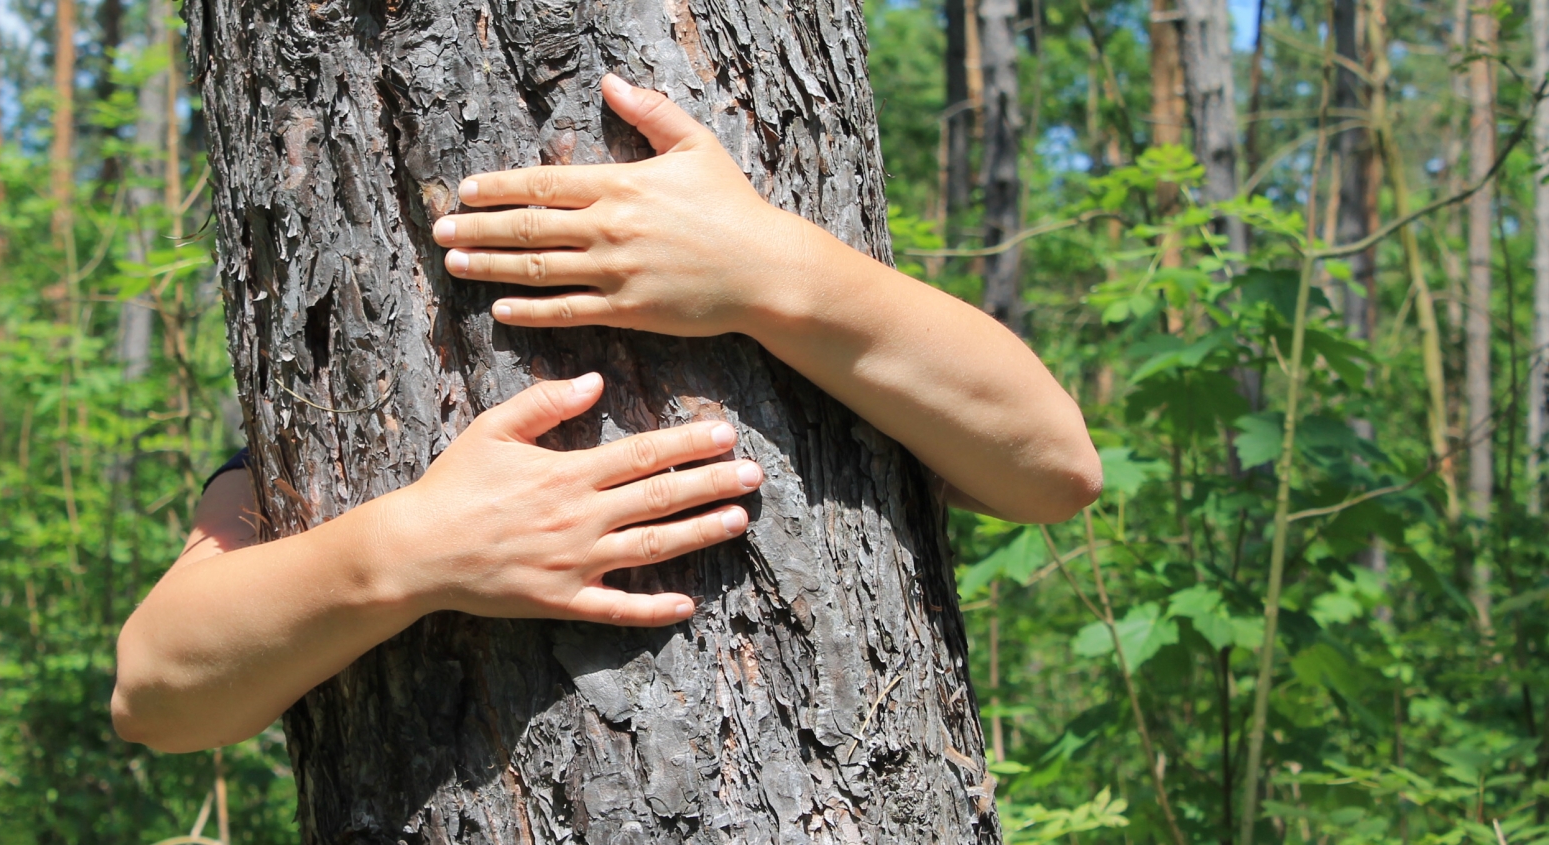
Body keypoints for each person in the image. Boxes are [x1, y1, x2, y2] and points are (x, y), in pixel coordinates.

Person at [112, 74, 1101, 754]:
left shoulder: (824, 341)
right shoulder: (321, 417)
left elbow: (1051, 465)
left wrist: (768, 267)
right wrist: (410, 550)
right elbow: (157, 691)